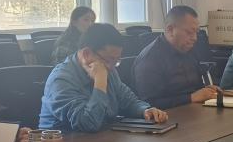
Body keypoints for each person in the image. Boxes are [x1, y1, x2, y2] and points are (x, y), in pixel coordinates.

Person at [39, 23, 168, 132]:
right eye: (108, 60)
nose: (112, 67)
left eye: (116, 61)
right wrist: (100, 82)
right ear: (86, 53)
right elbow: (88, 124)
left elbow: (128, 100)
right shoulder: (61, 80)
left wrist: (145, 110)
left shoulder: (108, 68)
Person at [133, 5, 218, 108]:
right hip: (169, 115)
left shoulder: (188, 49)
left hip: (195, 110)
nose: (195, 38)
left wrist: (207, 90)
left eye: (196, 32)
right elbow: (149, 104)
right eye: (189, 32)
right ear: (170, 30)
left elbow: (196, 87)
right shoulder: (149, 59)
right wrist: (191, 98)